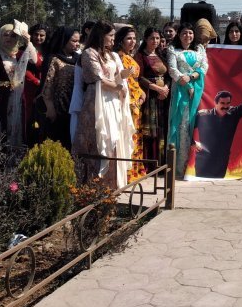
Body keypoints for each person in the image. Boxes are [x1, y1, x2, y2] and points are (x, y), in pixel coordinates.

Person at [73, 21, 134, 188]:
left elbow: (115, 75)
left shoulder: (112, 55)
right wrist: (119, 87)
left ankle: (113, 184)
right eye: (111, 36)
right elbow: (98, 78)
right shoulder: (88, 54)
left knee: (114, 137)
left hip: (113, 101)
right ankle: (95, 186)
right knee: (101, 138)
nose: (114, 39)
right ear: (101, 36)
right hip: (97, 101)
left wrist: (123, 75)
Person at [188, 71, 242, 178]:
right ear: (215, 103)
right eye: (222, 103)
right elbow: (186, 128)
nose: (225, 106)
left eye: (228, 103)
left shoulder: (233, 114)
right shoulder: (203, 115)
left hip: (221, 162)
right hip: (204, 162)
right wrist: (192, 143)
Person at [0, 22, 36, 150]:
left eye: (13, 36)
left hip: (16, 98)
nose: (9, 38)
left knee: (15, 129)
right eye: (6, 35)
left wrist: (28, 40)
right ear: (0, 36)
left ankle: (13, 162)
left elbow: (34, 60)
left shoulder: (20, 54)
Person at [167, 23, 207, 178]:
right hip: (181, 93)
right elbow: (172, 70)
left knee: (196, 126)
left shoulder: (200, 49)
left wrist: (191, 79)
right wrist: (187, 86)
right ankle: (179, 168)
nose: (187, 36)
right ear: (179, 34)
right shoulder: (173, 50)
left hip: (198, 90)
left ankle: (195, 167)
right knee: (181, 127)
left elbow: (204, 68)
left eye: (190, 33)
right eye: (184, 33)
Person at [39, 26, 81, 149]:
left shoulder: (78, 59)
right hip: (57, 108)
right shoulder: (53, 59)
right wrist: (50, 108)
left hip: (73, 105)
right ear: (64, 40)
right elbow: (47, 85)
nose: (77, 44)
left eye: (78, 41)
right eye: (74, 41)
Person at [116, 26, 146, 182]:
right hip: (127, 102)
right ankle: (127, 174)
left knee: (135, 136)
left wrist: (141, 92)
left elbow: (133, 80)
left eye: (134, 38)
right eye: (129, 38)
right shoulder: (118, 57)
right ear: (120, 40)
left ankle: (135, 172)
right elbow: (121, 79)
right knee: (129, 136)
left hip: (136, 102)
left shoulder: (129, 56)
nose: (132, 41)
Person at [136, 27, 170, 164]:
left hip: (163, 98)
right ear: (145, 39)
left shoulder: (161, 55)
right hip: (149, 97)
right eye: (152, 38)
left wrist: (166, 88)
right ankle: (150, 164)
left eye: (157, 38)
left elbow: (168, 75)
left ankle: (161, 163)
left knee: (162, 128)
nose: (155, 41)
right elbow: (139, 77)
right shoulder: (140, 56)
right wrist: (156, 88)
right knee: (150, 131)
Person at [23, 23, 48, 146]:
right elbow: (24, 70)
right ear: (31, 36)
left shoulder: (49, 51)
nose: (38, 38)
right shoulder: (25, 49)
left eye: (42, 35)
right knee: (30, 118)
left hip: (47, 89)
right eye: (36, 35)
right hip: (31, 89)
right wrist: (37, 82)